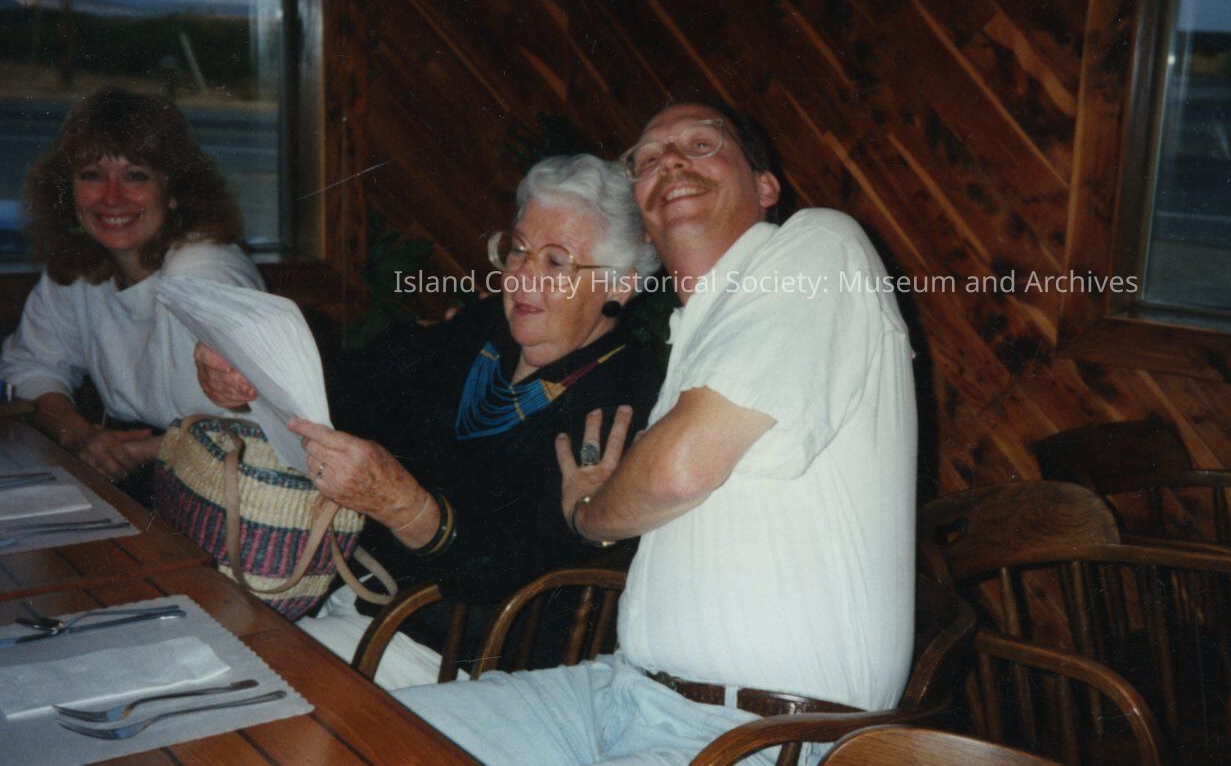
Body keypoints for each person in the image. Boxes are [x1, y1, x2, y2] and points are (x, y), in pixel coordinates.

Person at [396, 102, 918, 766]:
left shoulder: (820, 245)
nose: (669, 160)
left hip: (757, 733)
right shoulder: (696, 333)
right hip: (619, 691)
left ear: (765, 186)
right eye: (647, 158)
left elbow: (677, 470)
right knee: (365, 733)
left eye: (701, 145)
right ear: (642, 213)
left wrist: (590, 512)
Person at [194, 154, 665, 689]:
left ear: (620, 286)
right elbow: (365, 380)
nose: (521, 277)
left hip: (453, 656)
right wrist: (253, 370)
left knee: (233, 680)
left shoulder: (621, 401)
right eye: (517, 250)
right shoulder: (484, 328)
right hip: (354, 597)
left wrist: (402, 504)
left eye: (556, 262)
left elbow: (514, 565)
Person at [0, 88, 264, 487]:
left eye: (135, 176)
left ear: (173, 192)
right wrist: (79, 434)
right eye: (92, 175)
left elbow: (255, 425)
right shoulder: (79, 265)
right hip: (133, 470)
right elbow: (31, 366)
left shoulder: (203, 272)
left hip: (217, 482)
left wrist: (136, 453)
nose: (111, 197)